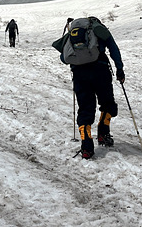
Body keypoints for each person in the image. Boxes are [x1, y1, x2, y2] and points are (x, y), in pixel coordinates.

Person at [52, 16, 125, 159]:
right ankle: (103, 133)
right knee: (108, 104)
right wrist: (119, 69)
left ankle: (86, 147)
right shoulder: (98, 30)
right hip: (100, 71)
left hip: (79, 75)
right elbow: (113, 48)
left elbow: (63, 58)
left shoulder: (72, 33)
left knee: (85, 109)